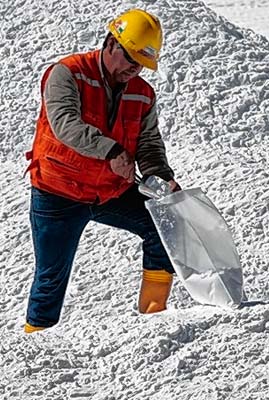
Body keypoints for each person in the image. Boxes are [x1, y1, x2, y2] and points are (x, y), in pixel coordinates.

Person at [23, 9, 179, 333]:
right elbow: (66, 124)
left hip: (109, 191)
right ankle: (35, 348)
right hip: (58, 192)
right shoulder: (67, 73)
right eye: (131, 58)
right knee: (50, 278)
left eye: (141, 63)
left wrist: (159, 177)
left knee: (164, 228)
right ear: (111, 43)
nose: (134, 68)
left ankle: (154, 321)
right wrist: (111, 151)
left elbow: (149, 143)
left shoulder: (143, 93)